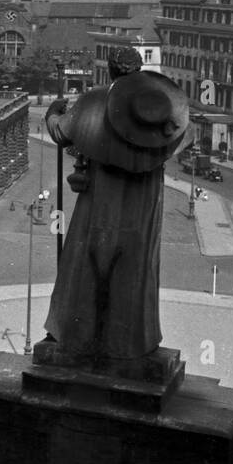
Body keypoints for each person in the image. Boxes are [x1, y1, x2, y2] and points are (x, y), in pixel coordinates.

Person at [42, 46, 188, 362]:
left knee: (85, 259)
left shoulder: (96, 101)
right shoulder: (157, 108)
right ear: (139, 72)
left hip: (101, 200)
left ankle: (75, 334)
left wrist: (52, 112)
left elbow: (61, 131)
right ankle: (133, 340)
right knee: (136, 268)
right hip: (143, 205)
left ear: (110, 72)